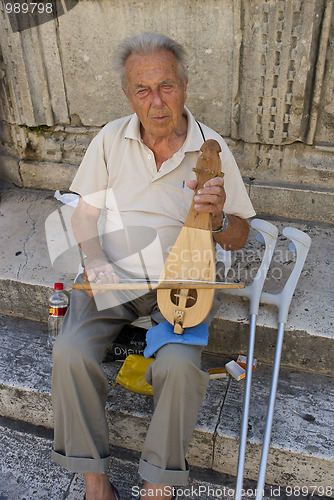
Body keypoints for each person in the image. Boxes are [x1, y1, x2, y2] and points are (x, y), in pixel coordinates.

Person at [51, 32, 256, 500]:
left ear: (184, 85)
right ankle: (95, 480)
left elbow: (240, 235)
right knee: (70, 354)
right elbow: (85, 215)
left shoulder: (212, 149)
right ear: (128, 95)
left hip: (183, 282)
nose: (156, 101)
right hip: (113, 276)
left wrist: (221, 216)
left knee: (181, 368)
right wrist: (97, 262)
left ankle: (157, 484)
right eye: (142, 90)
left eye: (166, 86)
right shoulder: (109, 139)